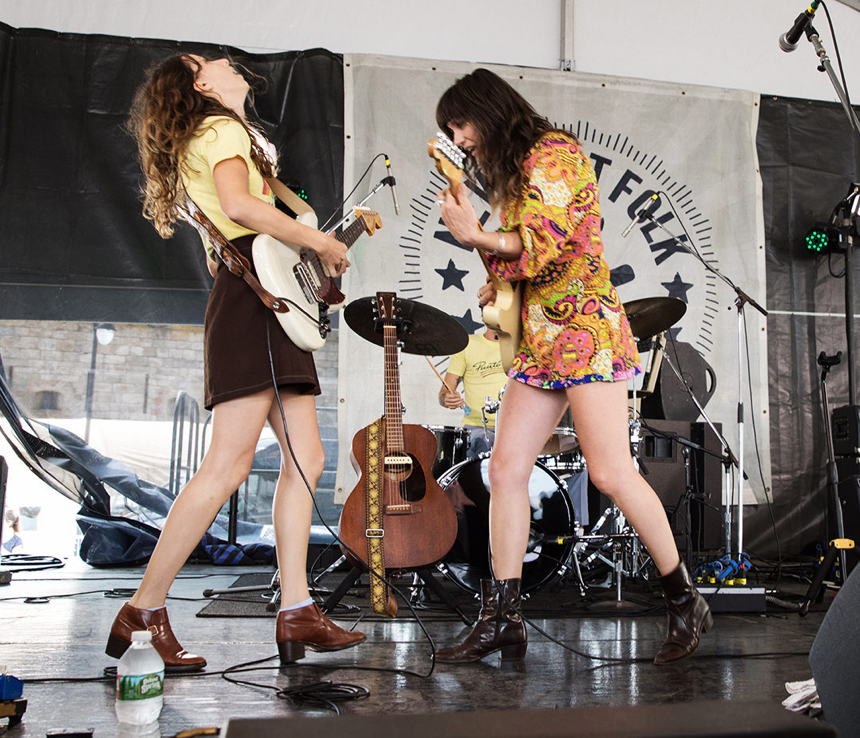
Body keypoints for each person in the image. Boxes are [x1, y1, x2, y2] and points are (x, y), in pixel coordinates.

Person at [434, 68, 711, 665]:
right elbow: (521, 261)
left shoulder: (554, 152)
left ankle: (685, 600)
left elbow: (549, 241)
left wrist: (477, 238)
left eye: (459, 125)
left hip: (585, 331)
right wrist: (493, 277)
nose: (458, 139)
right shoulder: (509, 175)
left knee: (611, 473)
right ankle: (503, 617)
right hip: (540, 341)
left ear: (484, 110)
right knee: (505, 470)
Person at [106, 53, 365, 672]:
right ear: (201, 84)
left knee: (309, 459)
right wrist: (321, 242)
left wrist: (304, 244)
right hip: (253, 305)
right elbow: (242, 210)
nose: (234, 66)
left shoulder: (220, 136)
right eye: (216, 63)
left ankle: (298, 608)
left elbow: (256, 218)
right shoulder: (220, 131)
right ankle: (143, 609)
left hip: (257, 299)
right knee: (228, 464)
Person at [438, 325, 507, 457]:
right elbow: (444, 392)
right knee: (486, 441)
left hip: (516, 428)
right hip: (477, 428)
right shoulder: (467, 345)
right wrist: (447, 398)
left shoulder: (523, 347)